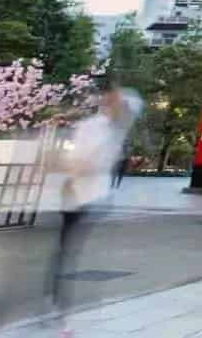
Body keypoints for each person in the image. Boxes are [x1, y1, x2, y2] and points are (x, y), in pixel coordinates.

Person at [52, 88, 142, 314]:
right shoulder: (95, 127)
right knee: (66, 246)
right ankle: (56, 297)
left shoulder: (113, 128)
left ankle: (58, 298)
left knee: (69, 246)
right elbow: (79, 159)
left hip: (92, 192)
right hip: (77, 190)